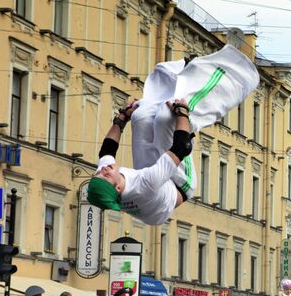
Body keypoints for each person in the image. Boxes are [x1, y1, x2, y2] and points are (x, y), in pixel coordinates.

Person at [87, 45, 259, 225]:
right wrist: (183, 112)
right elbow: (182, 146)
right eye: (105, 175)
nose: (104, 170)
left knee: (140, 115)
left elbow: (107, 151)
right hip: (178, 184)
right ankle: (230, 77)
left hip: (153, 186)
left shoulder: (108, 179)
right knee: (167, 116)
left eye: (99, 173)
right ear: (119, 187)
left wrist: (122, 118)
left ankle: (175, 73)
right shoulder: (146, 184)